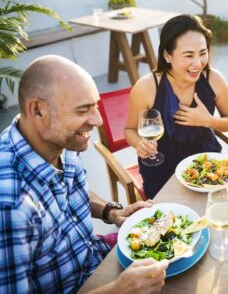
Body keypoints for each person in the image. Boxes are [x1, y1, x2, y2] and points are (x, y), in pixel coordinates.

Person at [0, 55, 169, 293]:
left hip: (95, 257)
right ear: (37, 110)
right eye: (83, 110)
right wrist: (118, 290)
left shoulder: (59, 139)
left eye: (95, 106)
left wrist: (111, 211)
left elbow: (67, 189)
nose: (98, 120)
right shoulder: (9, 207)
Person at [125, 14, 228, 198]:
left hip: (207, 163)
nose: (198, 63)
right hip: (162, 170)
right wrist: (140, 144)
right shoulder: (146, 87)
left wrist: (208, 120)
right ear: (167, 55)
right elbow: (130, 129)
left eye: (203, 53)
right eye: (188, 55)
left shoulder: (214, 79)